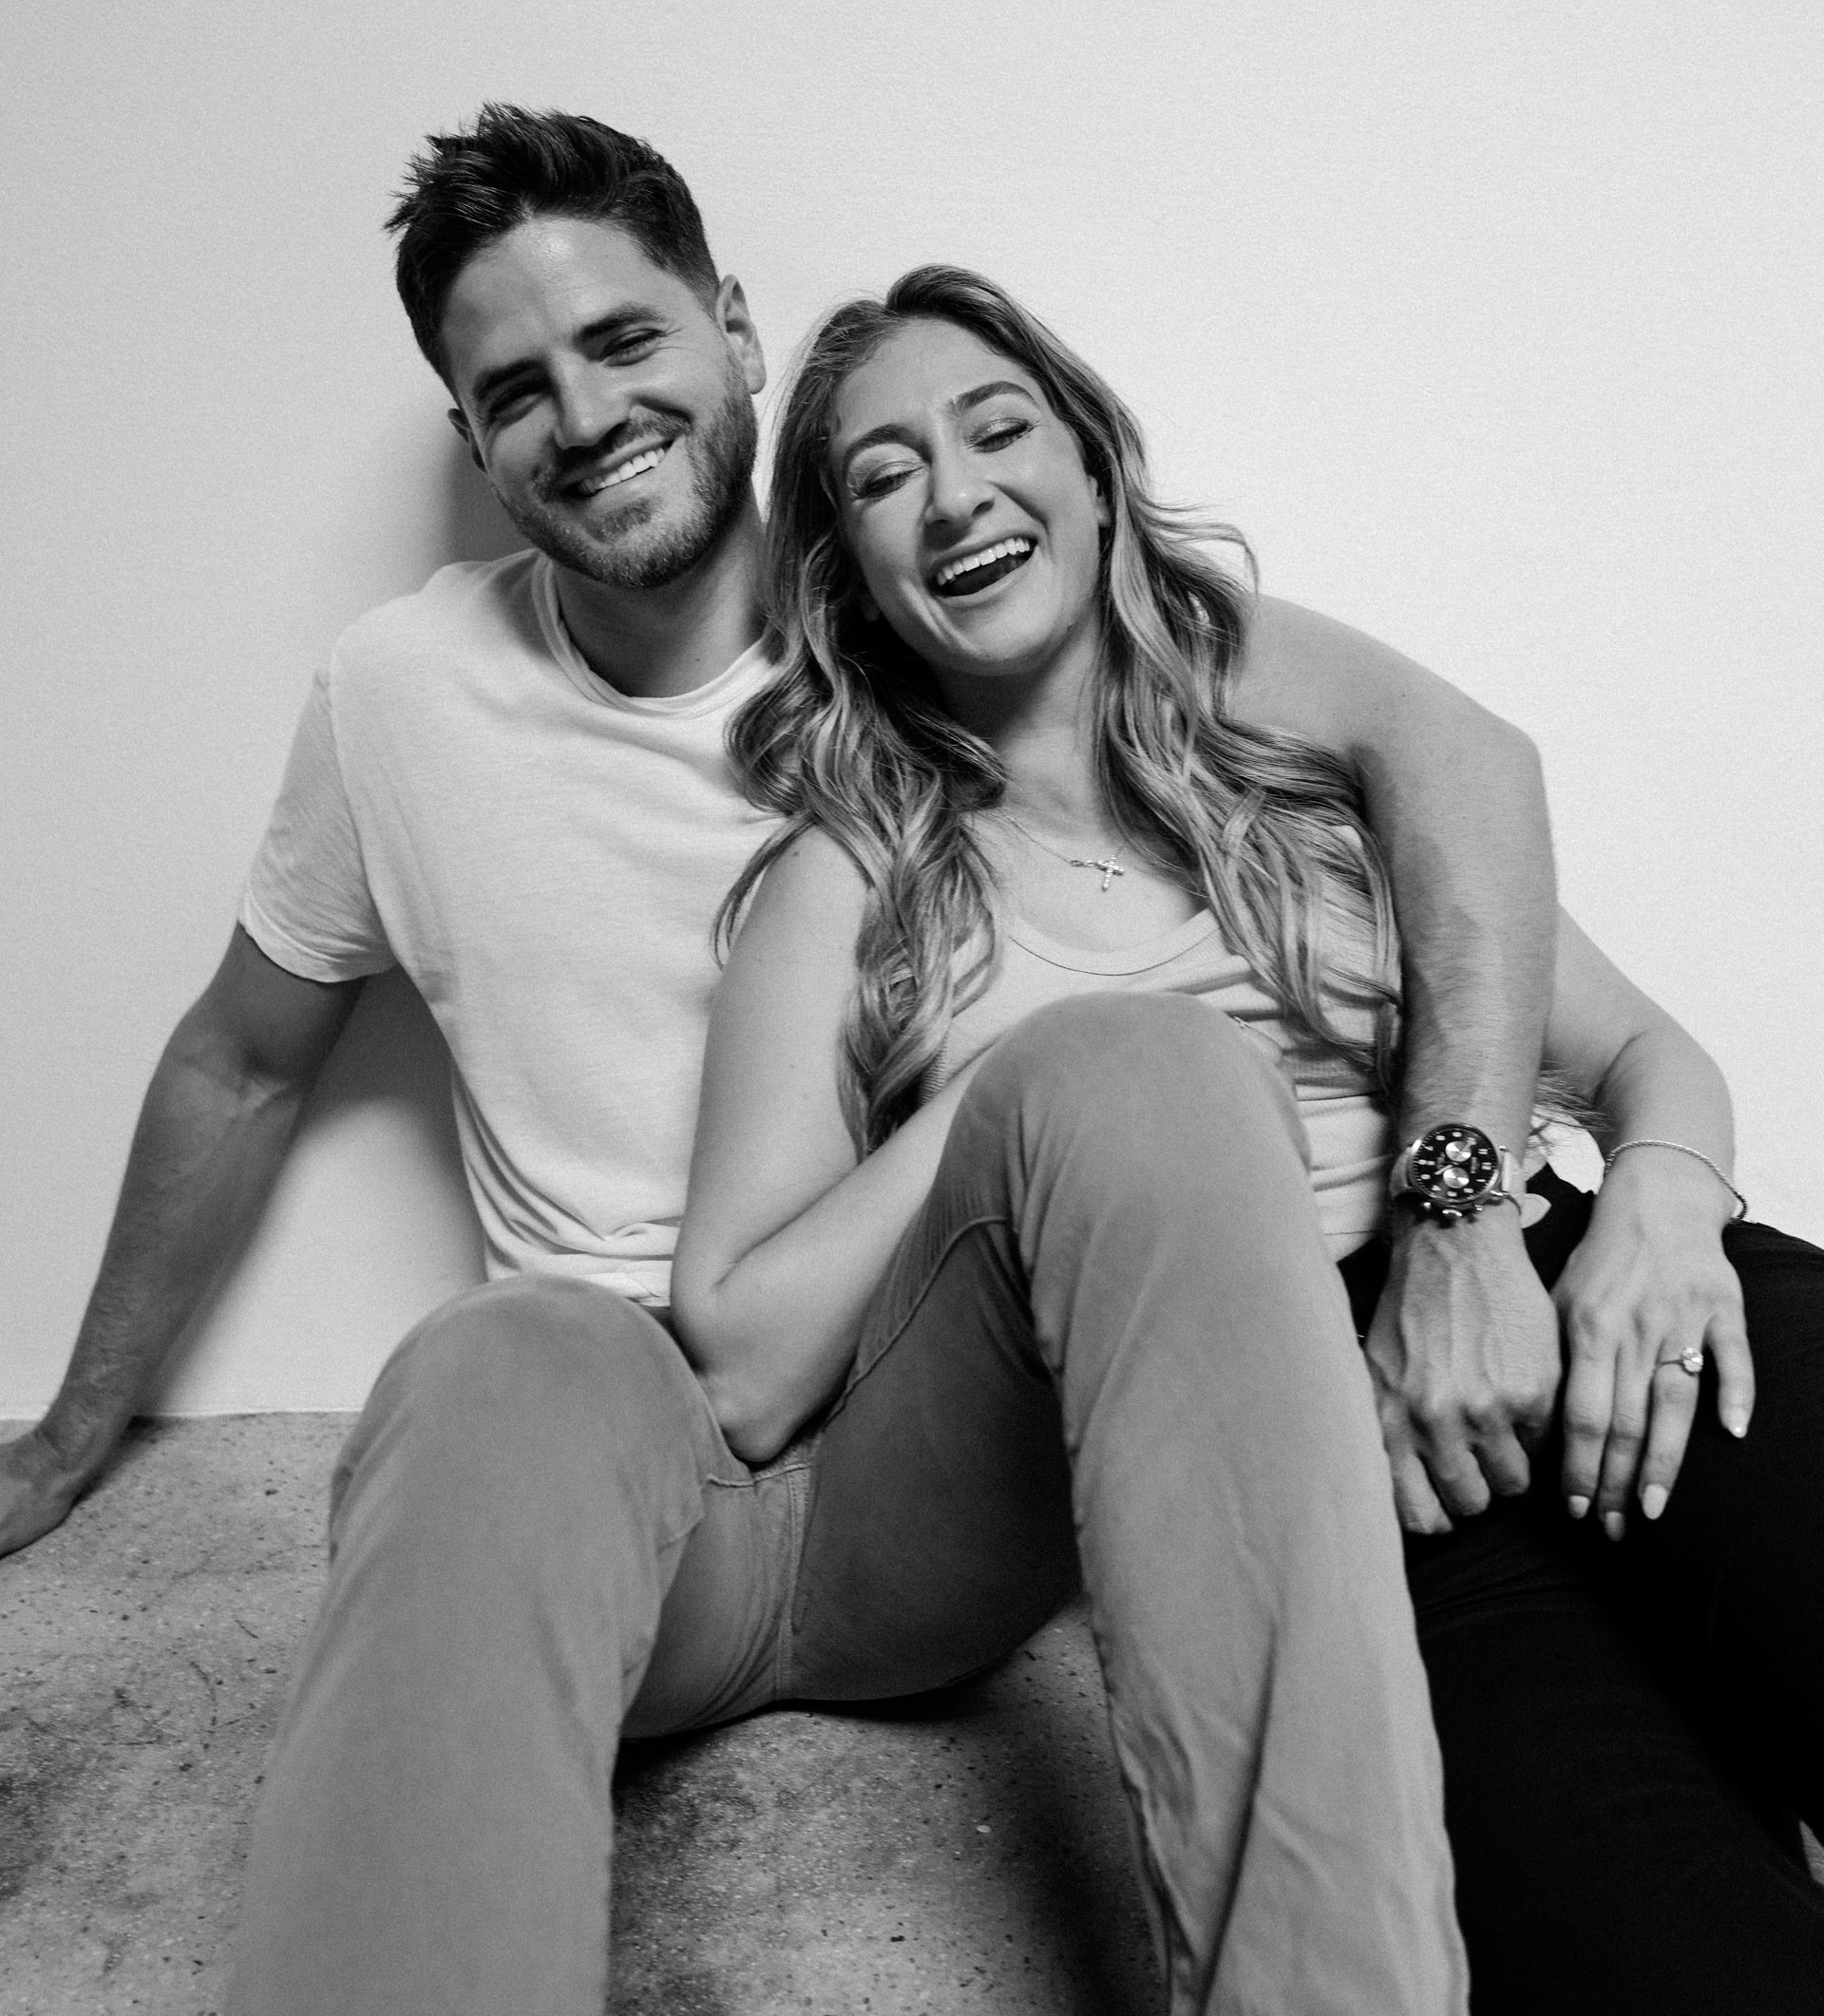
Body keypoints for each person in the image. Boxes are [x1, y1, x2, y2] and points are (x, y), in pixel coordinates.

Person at [0, 108, 1702, 2005]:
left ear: (733, 330)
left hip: (922, 1450)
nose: (584, 410)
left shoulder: (970, 625)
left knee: (1133, 1070)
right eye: (516, 387)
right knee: (502, 1349)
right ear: (474, 443)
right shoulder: (397, 700)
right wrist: (80, 1424)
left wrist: (1515, 1199)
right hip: (625, 1464)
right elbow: (240, 1059)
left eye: (626, 340)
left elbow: (1452, 760)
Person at [671, 263, 1824, 2014]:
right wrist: (1026, 1068)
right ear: (846, 570)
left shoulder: (1303, 767)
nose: (961, 490)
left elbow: (1647, 1056)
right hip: (1342, 1477)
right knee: (1670, 1957)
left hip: (1581, 1296)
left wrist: (1660, 1210)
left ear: (1094, 467)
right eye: (887, 474)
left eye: (998, 427)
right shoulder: (848, 883)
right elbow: (743, 1357)